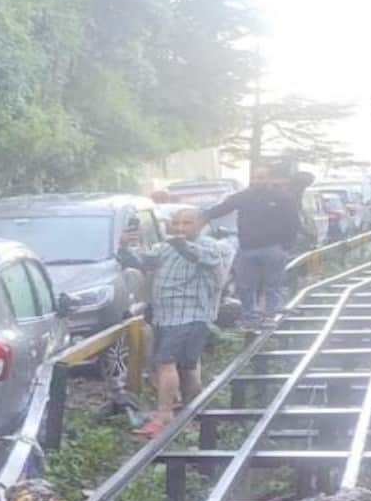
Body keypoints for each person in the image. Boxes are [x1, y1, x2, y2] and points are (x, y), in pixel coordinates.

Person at [116, 206, 231, 437]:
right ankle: (192, 409)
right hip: (164, 316)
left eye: (186, 223)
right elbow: (140, 260)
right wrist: (124, 246)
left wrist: (181, 244)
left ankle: (164, 414)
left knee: (165, 362)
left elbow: (201, 257)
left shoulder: (208, 245)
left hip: (191, 315)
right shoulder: (164, 247)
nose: (180, 228)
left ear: (199, 224)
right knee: (186, 366)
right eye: (176, 223)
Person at [202, 164, 304, 325]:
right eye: (254, 177)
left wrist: (286, 245)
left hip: (273, 248)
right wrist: (203, 217)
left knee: (273, 284)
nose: (257, 181)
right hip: (247, 248)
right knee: (244, 285)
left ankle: (270, 315)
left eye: (261, 177)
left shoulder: (283, 197)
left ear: (269, 178)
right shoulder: (243, 197)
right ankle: (250, 316)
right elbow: (222, 208)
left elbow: (293, 223)